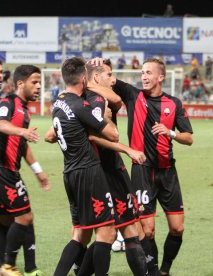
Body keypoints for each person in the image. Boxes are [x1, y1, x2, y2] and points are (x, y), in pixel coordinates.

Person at [110, 57, 193, 276]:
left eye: (148, 73)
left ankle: (165, 270)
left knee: (177, 228)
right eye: (142, 73)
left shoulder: (174, 103)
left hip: (168, 173)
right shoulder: (133, 95)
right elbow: (110, 78)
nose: (144, 77)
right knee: (147, 230)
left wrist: (170, 132)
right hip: (142, 171)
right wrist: (99, 65)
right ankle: (154, 272)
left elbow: (189, 138)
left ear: (160, 77)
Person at [70, 59, 148, 275]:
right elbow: (98, 133)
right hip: (106, 169)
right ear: (95, 77)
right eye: (109, 75)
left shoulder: (80, 98)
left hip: (90, 170)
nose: (113, 80)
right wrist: (126, 149)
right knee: (123, 230)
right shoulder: (94, 99)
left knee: (102, 233)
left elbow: (116, 100)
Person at [49, 57, 119, 276]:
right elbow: (114, 135)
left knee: (80, 235)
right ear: (83, 78)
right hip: (89, 172)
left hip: (69, 173)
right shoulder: (81, 106)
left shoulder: (58, 101)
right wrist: (105, 116)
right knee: (107, 232)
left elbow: (50, 136)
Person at [0, 65, 50, 275]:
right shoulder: (8, 101)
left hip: (11, 171)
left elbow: (22, 146)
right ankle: (7, 266)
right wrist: (22, 131)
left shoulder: (25, 109)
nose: (39, 86)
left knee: (9, 219)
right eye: (34, 82)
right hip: (0, 170)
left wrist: (37, 169)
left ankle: (2, 267)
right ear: (20, 83)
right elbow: (1, 125)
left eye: (40, 82)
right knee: (24, 217)